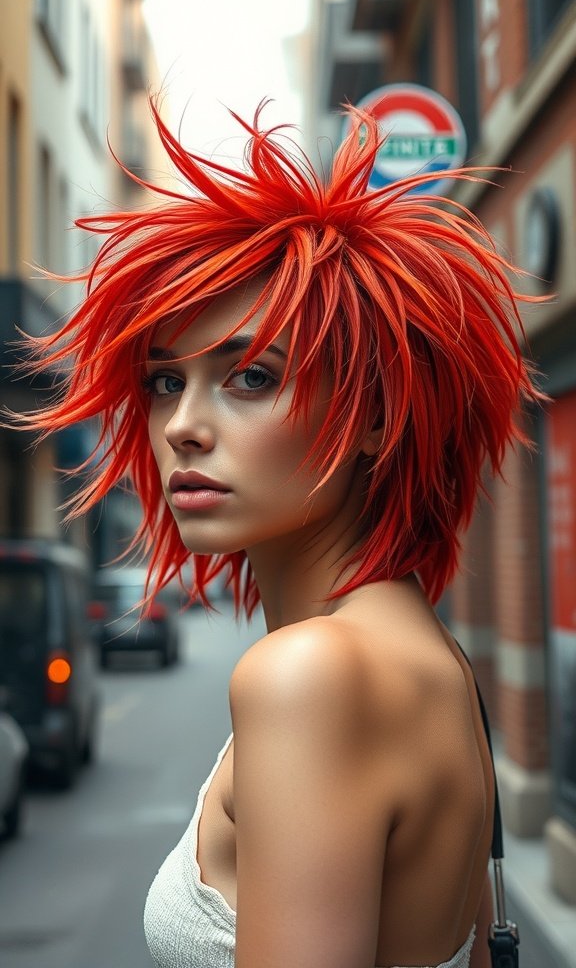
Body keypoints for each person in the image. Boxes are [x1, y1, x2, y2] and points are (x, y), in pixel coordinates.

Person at [11, 99, 540, 968]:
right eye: (164, 381)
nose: (183, 424)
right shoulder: (433, 663)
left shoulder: (310, 675)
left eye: (250, 375)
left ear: (373, 413)